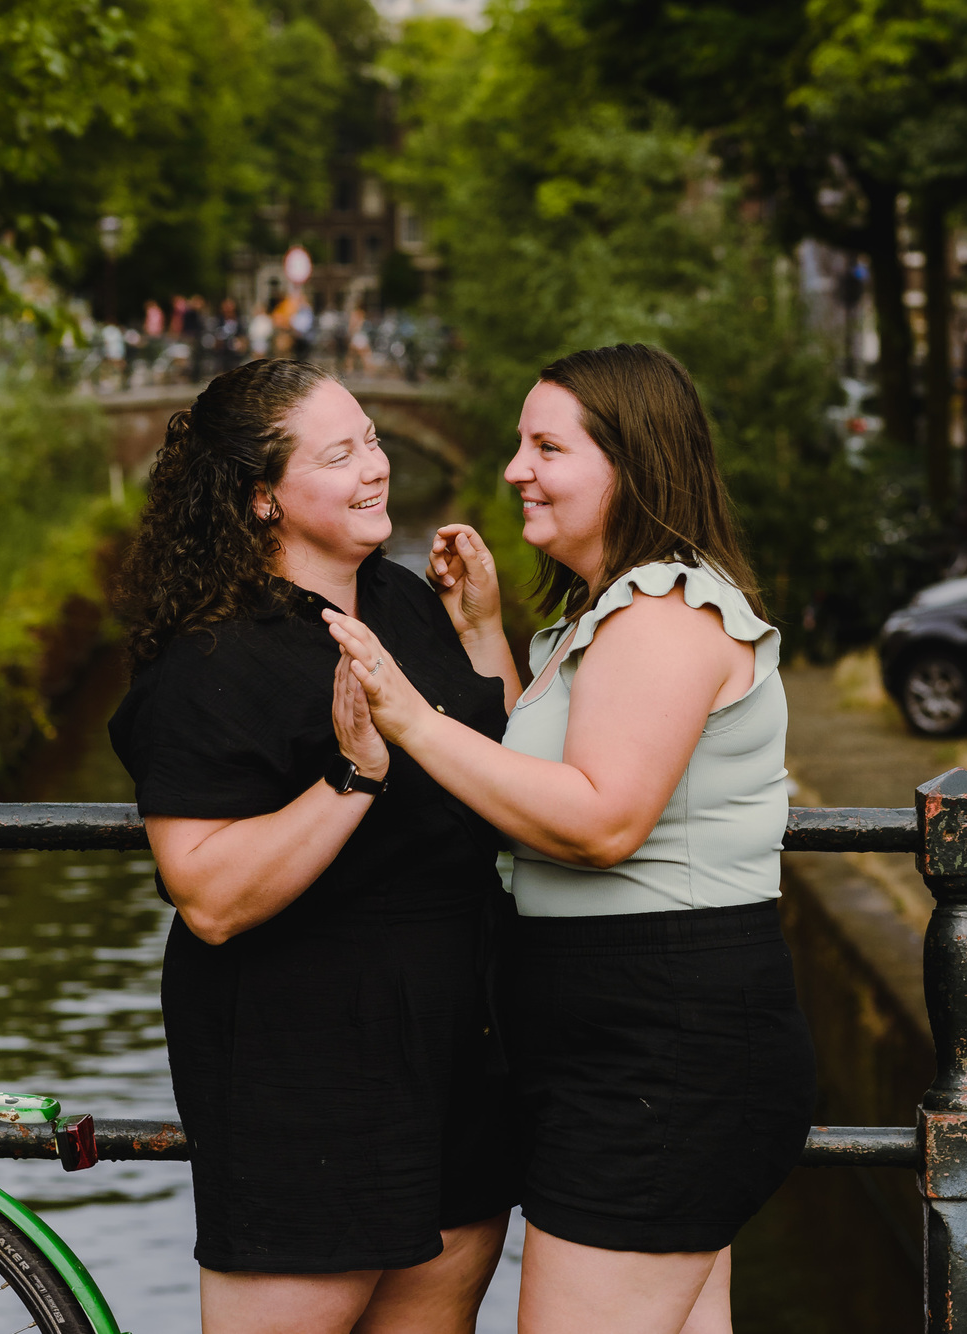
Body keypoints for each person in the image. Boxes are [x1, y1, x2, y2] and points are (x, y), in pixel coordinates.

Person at [324, 343, 816, 1334]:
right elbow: (543, 777)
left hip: (662, 1050)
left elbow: (600, 820)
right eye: (519, 443)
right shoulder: (600, 617)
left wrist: (409, 715)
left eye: (547, 446)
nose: (516, 469)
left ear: (631, 465)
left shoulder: (667, 615)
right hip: (622, 1047)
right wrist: (483, 638)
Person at [109, 358, 516, 1334]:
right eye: (341, 455)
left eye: (372, 438)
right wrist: (351, 777)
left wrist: (487, 635)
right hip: (304, 1071)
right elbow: (206, 895)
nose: (375, 467)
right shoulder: (213, 657)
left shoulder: (408, 604)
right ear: (261, 498)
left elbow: (495, 774)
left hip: (455, 1051)